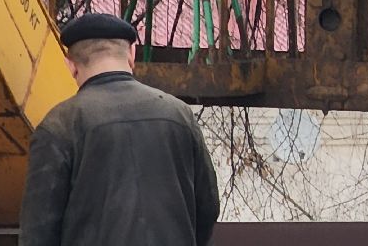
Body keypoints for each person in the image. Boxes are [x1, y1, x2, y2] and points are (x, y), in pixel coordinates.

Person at [19, 13, 220, 245]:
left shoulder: (59, 126)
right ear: (132, 55)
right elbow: (207, 206)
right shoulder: (179, 115)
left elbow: (38, 230)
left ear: (71, 65)